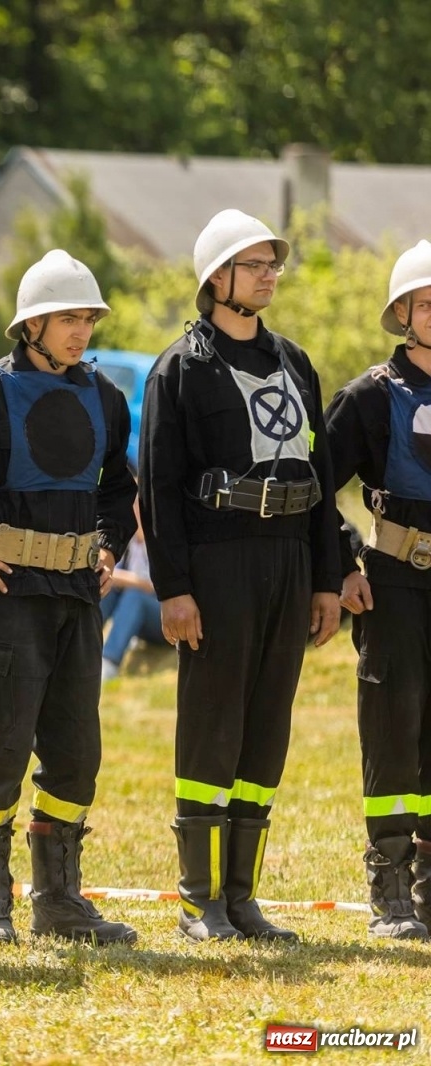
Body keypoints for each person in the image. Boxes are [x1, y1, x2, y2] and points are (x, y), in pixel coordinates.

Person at [0, 250, 138, 946]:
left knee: (76, 755)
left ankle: (59, 903)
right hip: (7, 597)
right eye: (68, 318)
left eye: (88, 318)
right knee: (3, 753)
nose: (81, 331)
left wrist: (108, 548)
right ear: (31, 324)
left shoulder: (106, 397)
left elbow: (119, 488)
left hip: (77, 597)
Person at [140, 209, 341, 942]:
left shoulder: (296, 362)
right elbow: (158, 488)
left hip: (289, 558)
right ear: (216, 278)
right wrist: (174, 590)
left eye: (271, 264)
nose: (268, 275)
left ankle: (242, 897)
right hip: (217, 564)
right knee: (212, 723)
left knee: (266, 725)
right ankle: (199, 901)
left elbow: (322, 476)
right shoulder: (180, 369)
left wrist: (326, 579)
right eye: (253, 264)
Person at [324, 239, 431, 940]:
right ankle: (390, 890)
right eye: (428, 303)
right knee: (394, 731)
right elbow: (313, 489)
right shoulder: (367, 397)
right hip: (393, 583)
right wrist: (341, 565)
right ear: (403, 313)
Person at [100, 501, 166, 682]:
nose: (134, 511)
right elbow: (113, 574)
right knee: (107, 592)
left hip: (163, 618)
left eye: (138, 506)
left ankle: (109, 661)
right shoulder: (127, 542)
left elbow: (150, 585)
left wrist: (112, 574)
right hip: (137, 616)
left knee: (134, 596)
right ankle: (86, 649)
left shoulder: (160, 541)